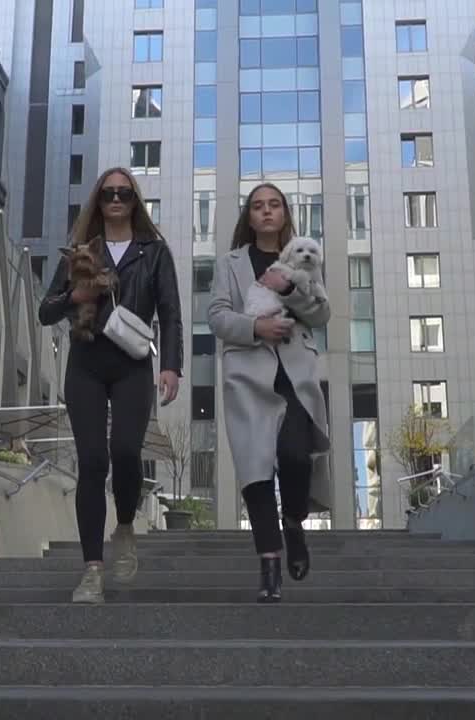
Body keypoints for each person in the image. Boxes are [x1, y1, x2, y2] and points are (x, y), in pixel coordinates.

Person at [38, 167, 183, 604]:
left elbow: (171, 312)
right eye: (108, 194)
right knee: (93, 460)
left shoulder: (154, 252)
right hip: (85, 362)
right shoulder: (80, 251)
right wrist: (74, 299)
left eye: (124, 193)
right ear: (98, 202)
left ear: (135, 200)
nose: (116, 200)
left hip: (133, 364)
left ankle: (123, 526)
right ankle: (92, 571)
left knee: (124, 452)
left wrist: (171, 366)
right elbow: (46, 310)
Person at [208, 182, 332, 603]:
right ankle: (270, 566)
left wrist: (288, 290)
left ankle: (294, 522)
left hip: (294, 373)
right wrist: (255, 328)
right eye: (258, 206)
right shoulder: (230, 263)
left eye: (274, 205)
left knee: (296, 456)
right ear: (249, 215)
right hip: (246, 377)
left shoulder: (304, 257)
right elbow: (217, 317)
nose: (266, 212)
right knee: (256, 474)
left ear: (284, 213)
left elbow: (322, 311)